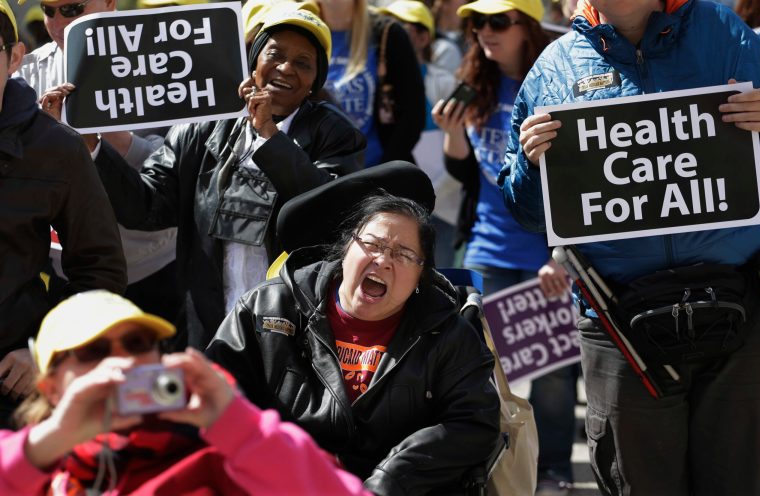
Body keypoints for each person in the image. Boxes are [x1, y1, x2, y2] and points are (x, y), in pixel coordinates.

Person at [498, 0, 760, 494]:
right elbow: (528, 213)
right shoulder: (554, 67)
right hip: (618, 324)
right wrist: (531, 167)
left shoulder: (730, 36)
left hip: (739, 309)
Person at [75, 7, 365, 352]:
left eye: (303, 63)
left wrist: (269, 138)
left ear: (314, 83)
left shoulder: (336, 134)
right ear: (253, 61)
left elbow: (331, 215)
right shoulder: (200, 127)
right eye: (275, 54)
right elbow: (147, 207)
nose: (286, 68)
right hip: (211, 326)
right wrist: (93, 148)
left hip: (293, 329)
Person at [206, 163, 500, 494]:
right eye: (372, 244)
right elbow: (216, 394)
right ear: (347, 248)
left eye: (403, 255)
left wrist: (387, 481)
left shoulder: (447, 331)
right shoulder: (267, 307)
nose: (383, 260)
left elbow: (474, 424)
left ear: (421, 276)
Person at [0, 289, 371, 495]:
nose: (123, 363)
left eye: (137, 343)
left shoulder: (223, 455)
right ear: (50, 387)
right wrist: (51, 440)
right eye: (92, 351)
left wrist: (239, 424)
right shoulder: (33, 466)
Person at [430, 1, 576, 492]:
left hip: (544, 257)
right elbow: (468, 174)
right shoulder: (475, 83)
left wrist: (556, 255)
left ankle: (552, 468)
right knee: (479, 367)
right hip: (485, 249)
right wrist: (453, 137)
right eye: (476, 24)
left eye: (497, 22)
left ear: (526, 27)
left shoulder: (555, 81)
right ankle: (488, 464)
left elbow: (573, 183)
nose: (484, 33)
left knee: (554, 373)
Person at [0, 0, 125, 429]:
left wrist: (47, 350)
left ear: (15, 57)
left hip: (13, 390)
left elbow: (101, 272)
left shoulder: (57, 147)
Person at [15, 0, 180, 324]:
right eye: (48, 11)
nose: (58, 23)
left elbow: (178, 167)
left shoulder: (163, 57)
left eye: (73, 9)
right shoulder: (29, 72)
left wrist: (107, 134)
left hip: (159, 268)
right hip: (71, 275)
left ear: (110, 3)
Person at [378, 0, 462, 268]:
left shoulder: (446, 83)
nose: (387, 33)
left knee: (443, 283)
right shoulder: (378, 83)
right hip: (392, 203)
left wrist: (432, 194)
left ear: (424, 37)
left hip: (441, 210)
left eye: (400, 27)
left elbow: (464, 148)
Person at [316, 0, 425, 166]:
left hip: (376, 175)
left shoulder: (388, 33)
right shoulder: (296, 29)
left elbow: (413, 115)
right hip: (314, 177)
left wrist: (384, 171)